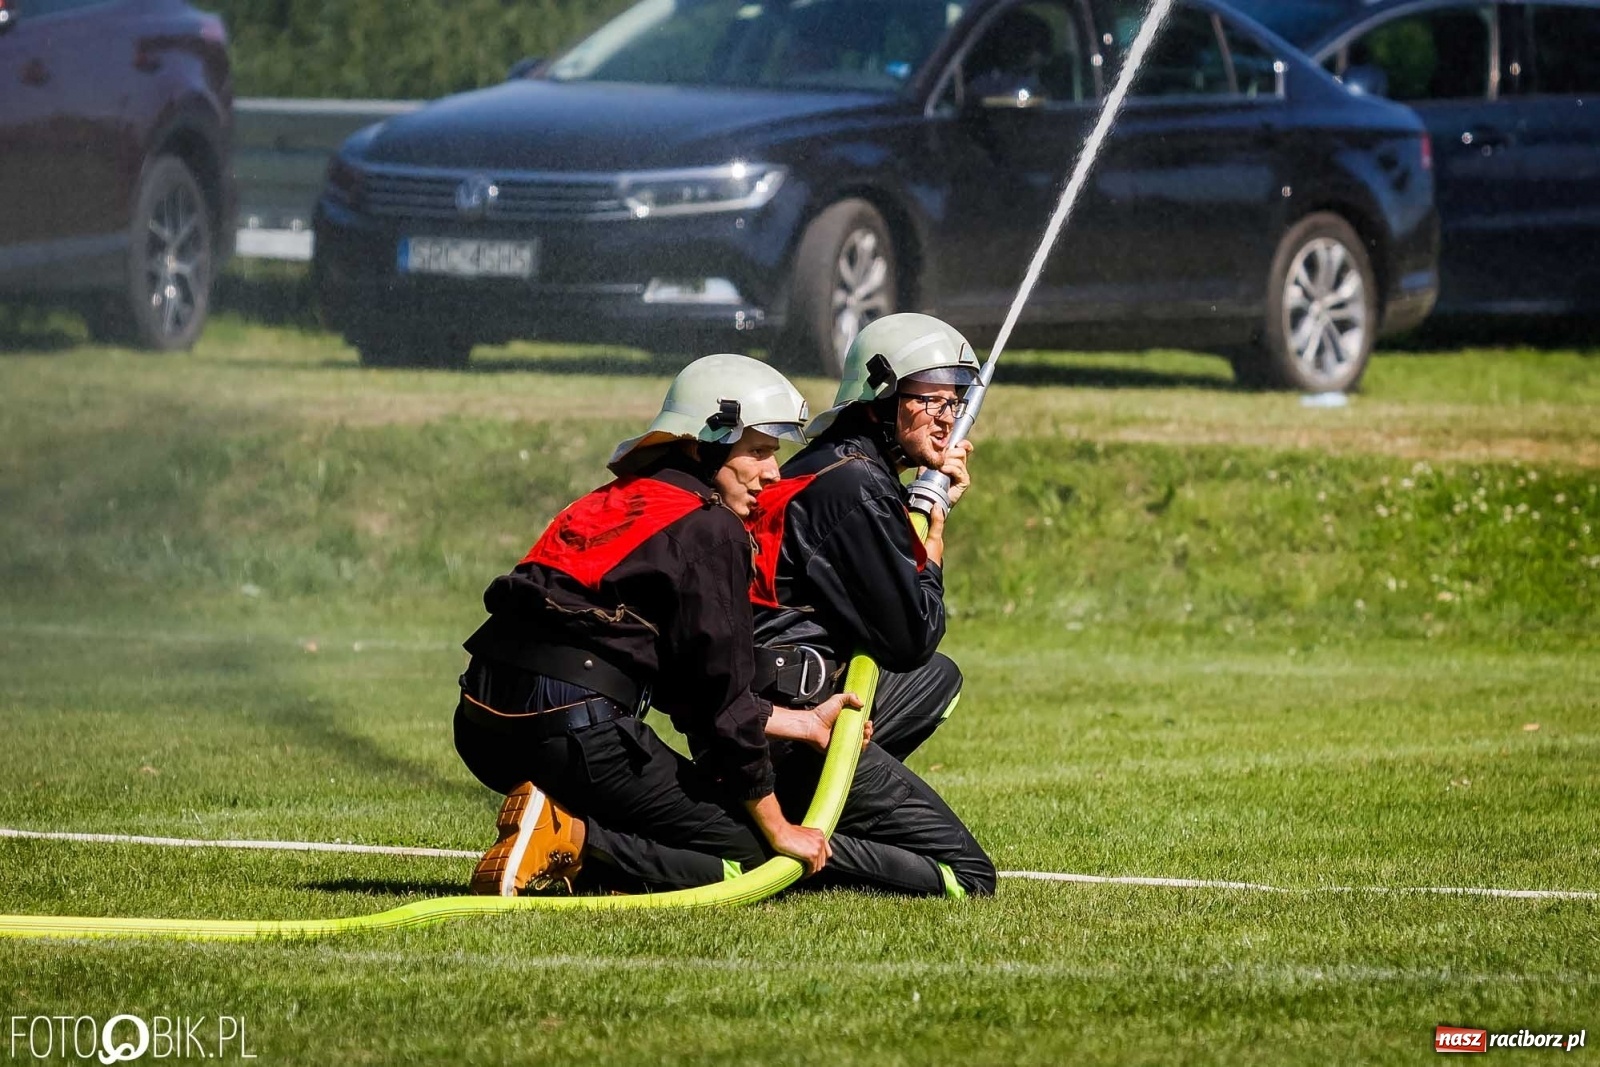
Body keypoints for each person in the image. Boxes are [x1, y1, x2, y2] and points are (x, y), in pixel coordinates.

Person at [454, 353, 859, 896]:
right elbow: (721, 705)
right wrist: (779, 828)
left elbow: (680, 677)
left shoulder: (608, 502)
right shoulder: (710, 527)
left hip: (483, 726)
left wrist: (801, 724)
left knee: (648, 822)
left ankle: (560, 834)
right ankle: (568, 839)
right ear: (704, 445)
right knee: (752, 861)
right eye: (759, 452)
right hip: (573, 730)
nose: (773, 473)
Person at [748, 313, 996, 899]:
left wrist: (926, 495)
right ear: (882, 399)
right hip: (802, 720)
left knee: (940, 679)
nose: (948, 418)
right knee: (968, 878)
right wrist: (934, 538)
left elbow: (912, 657)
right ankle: (772, 846)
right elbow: (911, 634)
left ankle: (810, 800)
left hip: (787, 704)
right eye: (931, 400)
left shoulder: (833, 469)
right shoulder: (855, 486)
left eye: (956, 402)